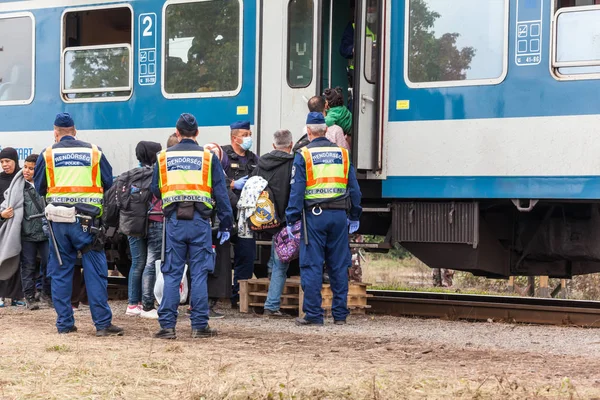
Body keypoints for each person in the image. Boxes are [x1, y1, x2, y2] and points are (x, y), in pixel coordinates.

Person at [34, 112, 123, 336]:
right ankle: (102, 325)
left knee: (61, 271)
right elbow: (108, 181)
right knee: (95, 272)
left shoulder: (47, 154)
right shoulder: (94, 151)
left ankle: (65, 324)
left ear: (56, 133)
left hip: (58, 222)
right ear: (74, 131)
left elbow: (39, 187)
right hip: (88, 222)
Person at [151, 113, 233, 339]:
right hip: (200, 222)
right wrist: (226, 223)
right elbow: (221, 192)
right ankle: (199, 326)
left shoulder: (163, 157)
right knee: (199, 273)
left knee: (172, 273)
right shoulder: (208, 158)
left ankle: (167, 326)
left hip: (174, 221)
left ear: (177, 133)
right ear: (197, 133)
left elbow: (155, 189)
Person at [286, 112, 362, 326]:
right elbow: (354, 189)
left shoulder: (304, 155)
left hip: (314, 217)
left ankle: (313, 315)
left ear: (308, 132)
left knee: (312, 265)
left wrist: (291, 218)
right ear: (326, 130)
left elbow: (297, 190)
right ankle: (340, 315)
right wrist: (355, 214)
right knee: (338, 265)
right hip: (339, 216)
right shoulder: (343, 154)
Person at [251, 130, 295, 318]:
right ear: (291, 145)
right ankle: (271, 305)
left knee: (275, 258)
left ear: (273, 145)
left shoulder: (260, 164)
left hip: (265, 217)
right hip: (285, 220)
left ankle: (271, 299)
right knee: (281, 263)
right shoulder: (293, 163)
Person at [1, 154, 52, 310]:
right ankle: (29, 297)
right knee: (27, 266)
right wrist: (3, 214)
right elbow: (6, 204)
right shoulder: (18, 187)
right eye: (25, 167)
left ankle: (46, 294)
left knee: (49, 264)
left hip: (45, 234)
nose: (27, 171)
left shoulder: (46, 186)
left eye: (31, 168)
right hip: (26, 235)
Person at [122, 141, 163, 319]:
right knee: (151, 263)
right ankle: (147, 303)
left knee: (137, 262)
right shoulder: (156, 173)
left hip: (132, 223)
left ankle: (133, 304)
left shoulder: (131, 174)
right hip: (153, 221)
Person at [221, 121, 259, 308]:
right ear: (234, 137)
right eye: (244, 134)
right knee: (220, 255)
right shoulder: (223, 156)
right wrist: (232, 184)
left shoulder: (254, 159)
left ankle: (238, 296)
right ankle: (218, 294)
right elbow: (214, 177)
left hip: (246, 215)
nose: (248, 137)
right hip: (226, 211)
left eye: (249, 133)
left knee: (246, 254)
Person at [0, 147, 26, 307]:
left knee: (17, 260)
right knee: (2, 259)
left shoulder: (22, 179)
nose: (4, 165)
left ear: (15, 161)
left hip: (18, 227)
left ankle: (16, 295)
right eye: (2, 162)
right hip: (2, 226)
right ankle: (1, 296)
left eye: (7, 161)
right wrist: (1, 215)